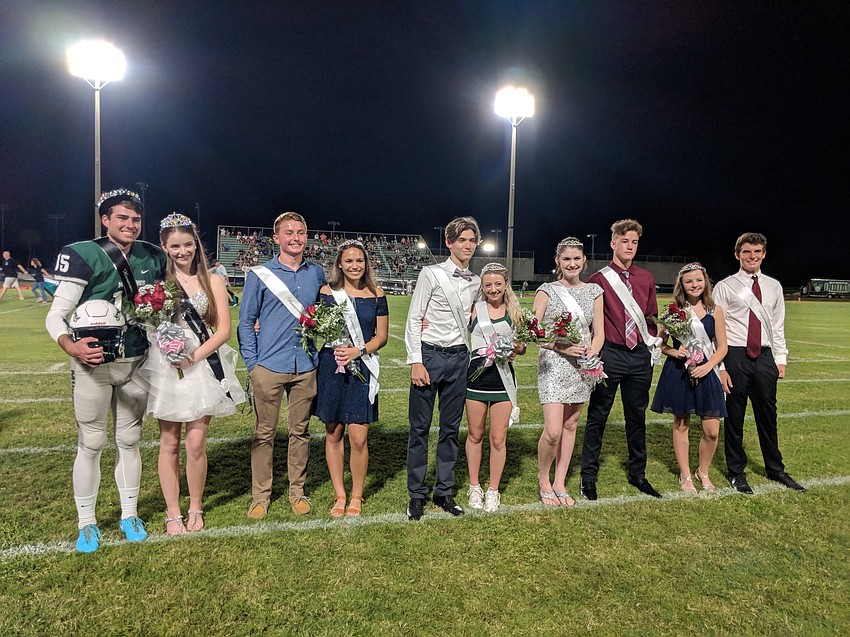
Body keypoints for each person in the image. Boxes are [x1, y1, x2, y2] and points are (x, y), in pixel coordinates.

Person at [45, 188, 166, 552]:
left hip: (136, 361)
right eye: (122, 218)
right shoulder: (85, 253)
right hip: (93, 363)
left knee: (129, 440)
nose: (130, 225)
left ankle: (129, 514)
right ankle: (87, 522)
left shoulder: (152, 255)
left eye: (135, 219)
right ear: (105, 220)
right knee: (93, 442)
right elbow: (56, 315)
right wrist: (71, 345)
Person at [136, 213, 246, 534]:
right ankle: (173, 513)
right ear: (164, 246)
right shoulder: (157, 281)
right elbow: (147, 323)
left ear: (196, 244)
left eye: (188, 245)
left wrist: (192, 357)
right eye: (175, 246)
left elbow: (223, 330)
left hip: (201, 366)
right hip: (166, 368)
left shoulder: (213, 280)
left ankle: (195, 505)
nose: (182, 251)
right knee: (169, 443)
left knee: (196, 444)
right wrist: (168, 349)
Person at [238, 211, 327, 519]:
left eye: (301, 232)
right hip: (269, 366)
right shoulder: (259, 274)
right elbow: (246, 321)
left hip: (305, 364)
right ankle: (260, 495)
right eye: (289, 232)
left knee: (300, 431)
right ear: (276, 238)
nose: (296, 238)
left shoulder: (316, 274)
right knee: (264, 433)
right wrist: (252, 363)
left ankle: (296, 491)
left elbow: (329, 313)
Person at [714, 233, 805, 494]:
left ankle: (775, 468)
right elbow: (716, 329)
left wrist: (781, 359)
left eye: (757, 252)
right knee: (734, 416)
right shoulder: (725, 286)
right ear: (737, 255)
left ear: (764, 254)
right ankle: (736, 472)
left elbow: (777, 326)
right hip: (735, 355)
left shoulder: (774, 286)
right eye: (747, 252)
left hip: (764, 357)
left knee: (768, 415)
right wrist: (721, 367)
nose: (752, 256)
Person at [579, 219, 663, 500]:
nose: (629, 246)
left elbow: (651, 316)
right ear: (613, 243)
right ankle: (587, 477)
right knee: (598, 416)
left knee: (636, 417)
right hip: (610, 353)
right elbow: (589, 322)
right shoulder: (599, 279)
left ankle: (638, 474)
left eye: (634, 242)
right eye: (624, 241)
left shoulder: (646, 278)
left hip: (638, 355)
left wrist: (650, 343)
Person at [405, 216, 481, 520]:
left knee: (450, 430)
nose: (467, 245)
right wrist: (416, 361)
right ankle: (416, 494)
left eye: (471, 240)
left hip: (459, 358)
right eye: (461, 240)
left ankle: (444, 492)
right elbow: (414, 317)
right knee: (420, 430)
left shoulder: (475, 282)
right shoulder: (431, 274)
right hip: (430, 356)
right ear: (449, 242)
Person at [315, 240, 388, 518]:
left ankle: (356, 495)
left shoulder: (377, 294)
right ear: (340, 264)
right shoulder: (326, 292)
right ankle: (339, 494)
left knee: (358, 437)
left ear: (366, 263)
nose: (354, 266)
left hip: (362, 366)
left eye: (359, 261)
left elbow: (381, 336)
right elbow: (313, 322)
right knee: (333, 432)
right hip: (332, 366)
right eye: (349, 261)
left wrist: (359, 350)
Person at [535, 238, 604, 507]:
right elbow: (533, 332)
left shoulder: (595, 291)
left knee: (571, 425)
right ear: (558, 262)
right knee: (552, 430)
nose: (572, 264)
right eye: (566, 259)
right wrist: (561, 347)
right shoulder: (547, 290)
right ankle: (543, 479)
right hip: (553, 363)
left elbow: (599, 333)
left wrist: (592, 352)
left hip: (582, 366)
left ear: (584, 260)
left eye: (577, 259)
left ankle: (560, 481)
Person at [650, 263, 728, 494]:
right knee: (681, 423)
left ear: (705, 282)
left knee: (712, 430)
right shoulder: (673, 311)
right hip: (679, 372)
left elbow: (722, 347)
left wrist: (709, 366)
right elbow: (659, 343)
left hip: (707, 372)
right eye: (689, 281)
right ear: (681, 285)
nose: (694, 285)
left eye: (698, 280)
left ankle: (703, 471)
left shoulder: (715, 310)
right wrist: (674, 351)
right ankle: (685, 474)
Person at [465, 263, 526, 513]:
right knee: (475, 435)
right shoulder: (474, 310)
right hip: (476, 379)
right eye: (488, 284)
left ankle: (493, 490)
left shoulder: (514, 312)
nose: (493, 289)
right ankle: (474, 486)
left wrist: (517, 349)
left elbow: (522, 346)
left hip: (502, 380)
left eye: (497, 284)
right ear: (482, 286)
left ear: (505, 285)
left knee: (498, 438)